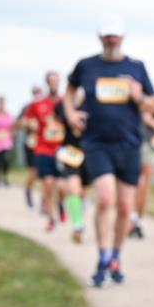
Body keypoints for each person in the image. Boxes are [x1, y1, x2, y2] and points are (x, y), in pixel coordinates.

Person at [62, 15, 154, 288]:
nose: (111, 40)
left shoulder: (136, 67)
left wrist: (139, 97)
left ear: (122, 38)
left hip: (128, 144)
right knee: (105, 198)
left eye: (115, 36)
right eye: (107, 36)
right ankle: (102, 256)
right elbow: (69, 91)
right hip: (97, 143)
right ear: (100, 37)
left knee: (126, 206)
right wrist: (71, 113)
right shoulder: (86, 65)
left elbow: (151, 102)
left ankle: (116, 255)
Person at [25, 72, 65, 231]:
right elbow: (27, 119)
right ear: (47, 83)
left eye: (56, 80)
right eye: (51, 81)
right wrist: (31, 124)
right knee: (47, 184)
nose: (54, 83)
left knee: (62, 187)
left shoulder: (65, 102)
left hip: (62, 150)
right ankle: (50, 218)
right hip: (43, 149)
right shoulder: (38, 104)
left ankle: (61, 204)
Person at [54, 93, 90, 243]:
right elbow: (57, 118)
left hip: (88, 153)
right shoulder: (63, 105)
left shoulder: (91, 103)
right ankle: (78, 226)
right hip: (70, 153)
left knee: (82, 192)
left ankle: (77, 216)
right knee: (72, 189)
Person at [129, 111, 154, 239]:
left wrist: (150, 121)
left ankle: (137, 221)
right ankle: (132, 219)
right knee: (136, 183)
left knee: (143, 183)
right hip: (132, 142)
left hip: (150, 144)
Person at [16, 85, 43, 208]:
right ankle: (28, 190)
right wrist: (28, 123)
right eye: (35, 92)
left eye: (39, 92)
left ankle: (45, 202)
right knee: (33, 172)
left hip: (45, 143)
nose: (37, 94)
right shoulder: (27, 107)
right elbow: (18, 123)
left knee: (47, 175)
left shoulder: (47, 105)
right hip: (31, 143)